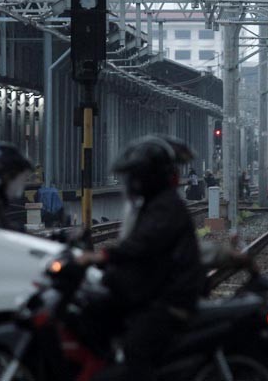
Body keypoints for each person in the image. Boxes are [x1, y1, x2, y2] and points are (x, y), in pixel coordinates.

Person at [77, 135, 204, 381]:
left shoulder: (164, 206)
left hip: (171, 297)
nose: (132, 183)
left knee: (137, 347)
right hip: (159, 289)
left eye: (136, 177)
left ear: (148, 177)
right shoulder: (156, 203)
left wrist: (103, 255)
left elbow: (142, 244)